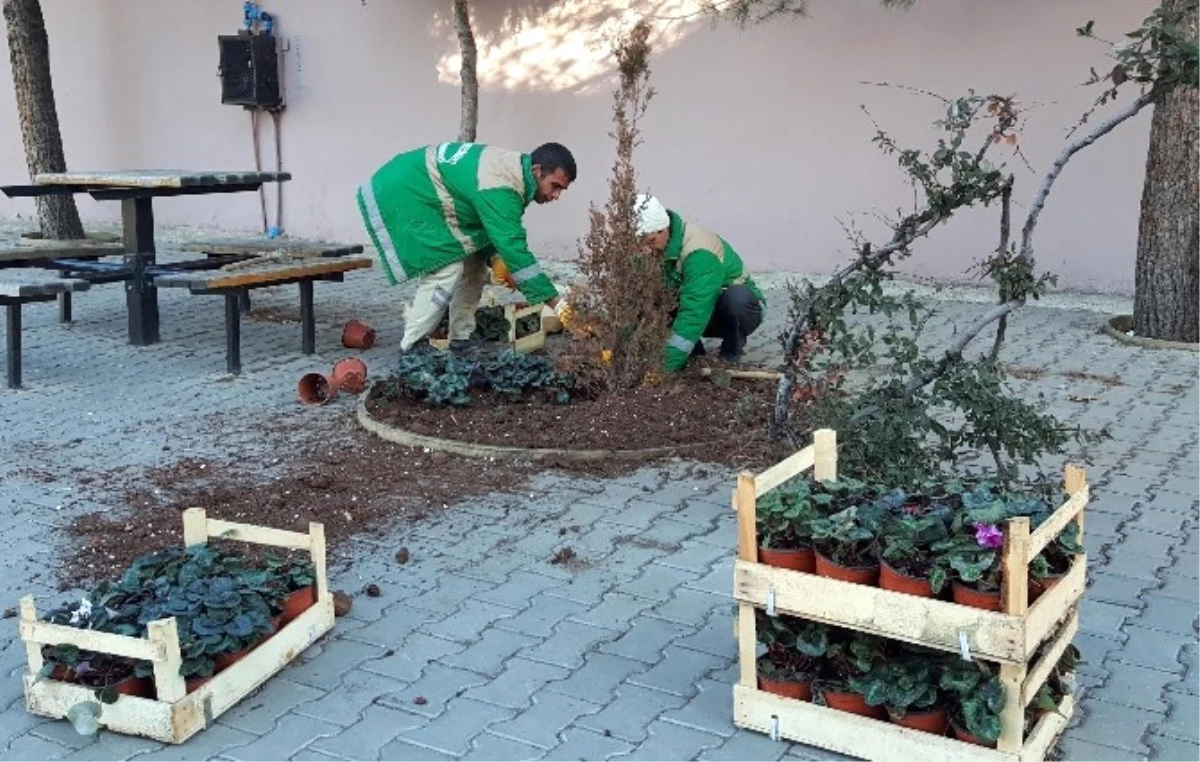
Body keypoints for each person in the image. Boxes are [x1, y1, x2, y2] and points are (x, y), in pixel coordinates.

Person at [355, 141, 576, 351]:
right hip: (403, 192)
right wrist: (555, 303)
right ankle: (413, 345)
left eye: (562, 190)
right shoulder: (503, 184)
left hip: (414, 187)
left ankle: (462, 338)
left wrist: (494, 258)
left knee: (475, 266)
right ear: (537, 171)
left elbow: (488, 227)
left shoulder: (514, 174)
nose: (556, 195)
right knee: (445, 269)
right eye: (554, 186)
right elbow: (513, 246)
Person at [633, 193, 765, 372]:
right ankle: (694, 355)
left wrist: (664, 369)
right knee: (659, 298)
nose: (645, 250)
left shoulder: (699, 252)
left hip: (730, 309)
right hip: (697, 305)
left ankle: (730, 354)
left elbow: (695, 310)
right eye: (639, 244)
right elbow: (636, 302)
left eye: (650, 242)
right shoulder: (649, 250)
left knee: (736, 299)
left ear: (663, 229)